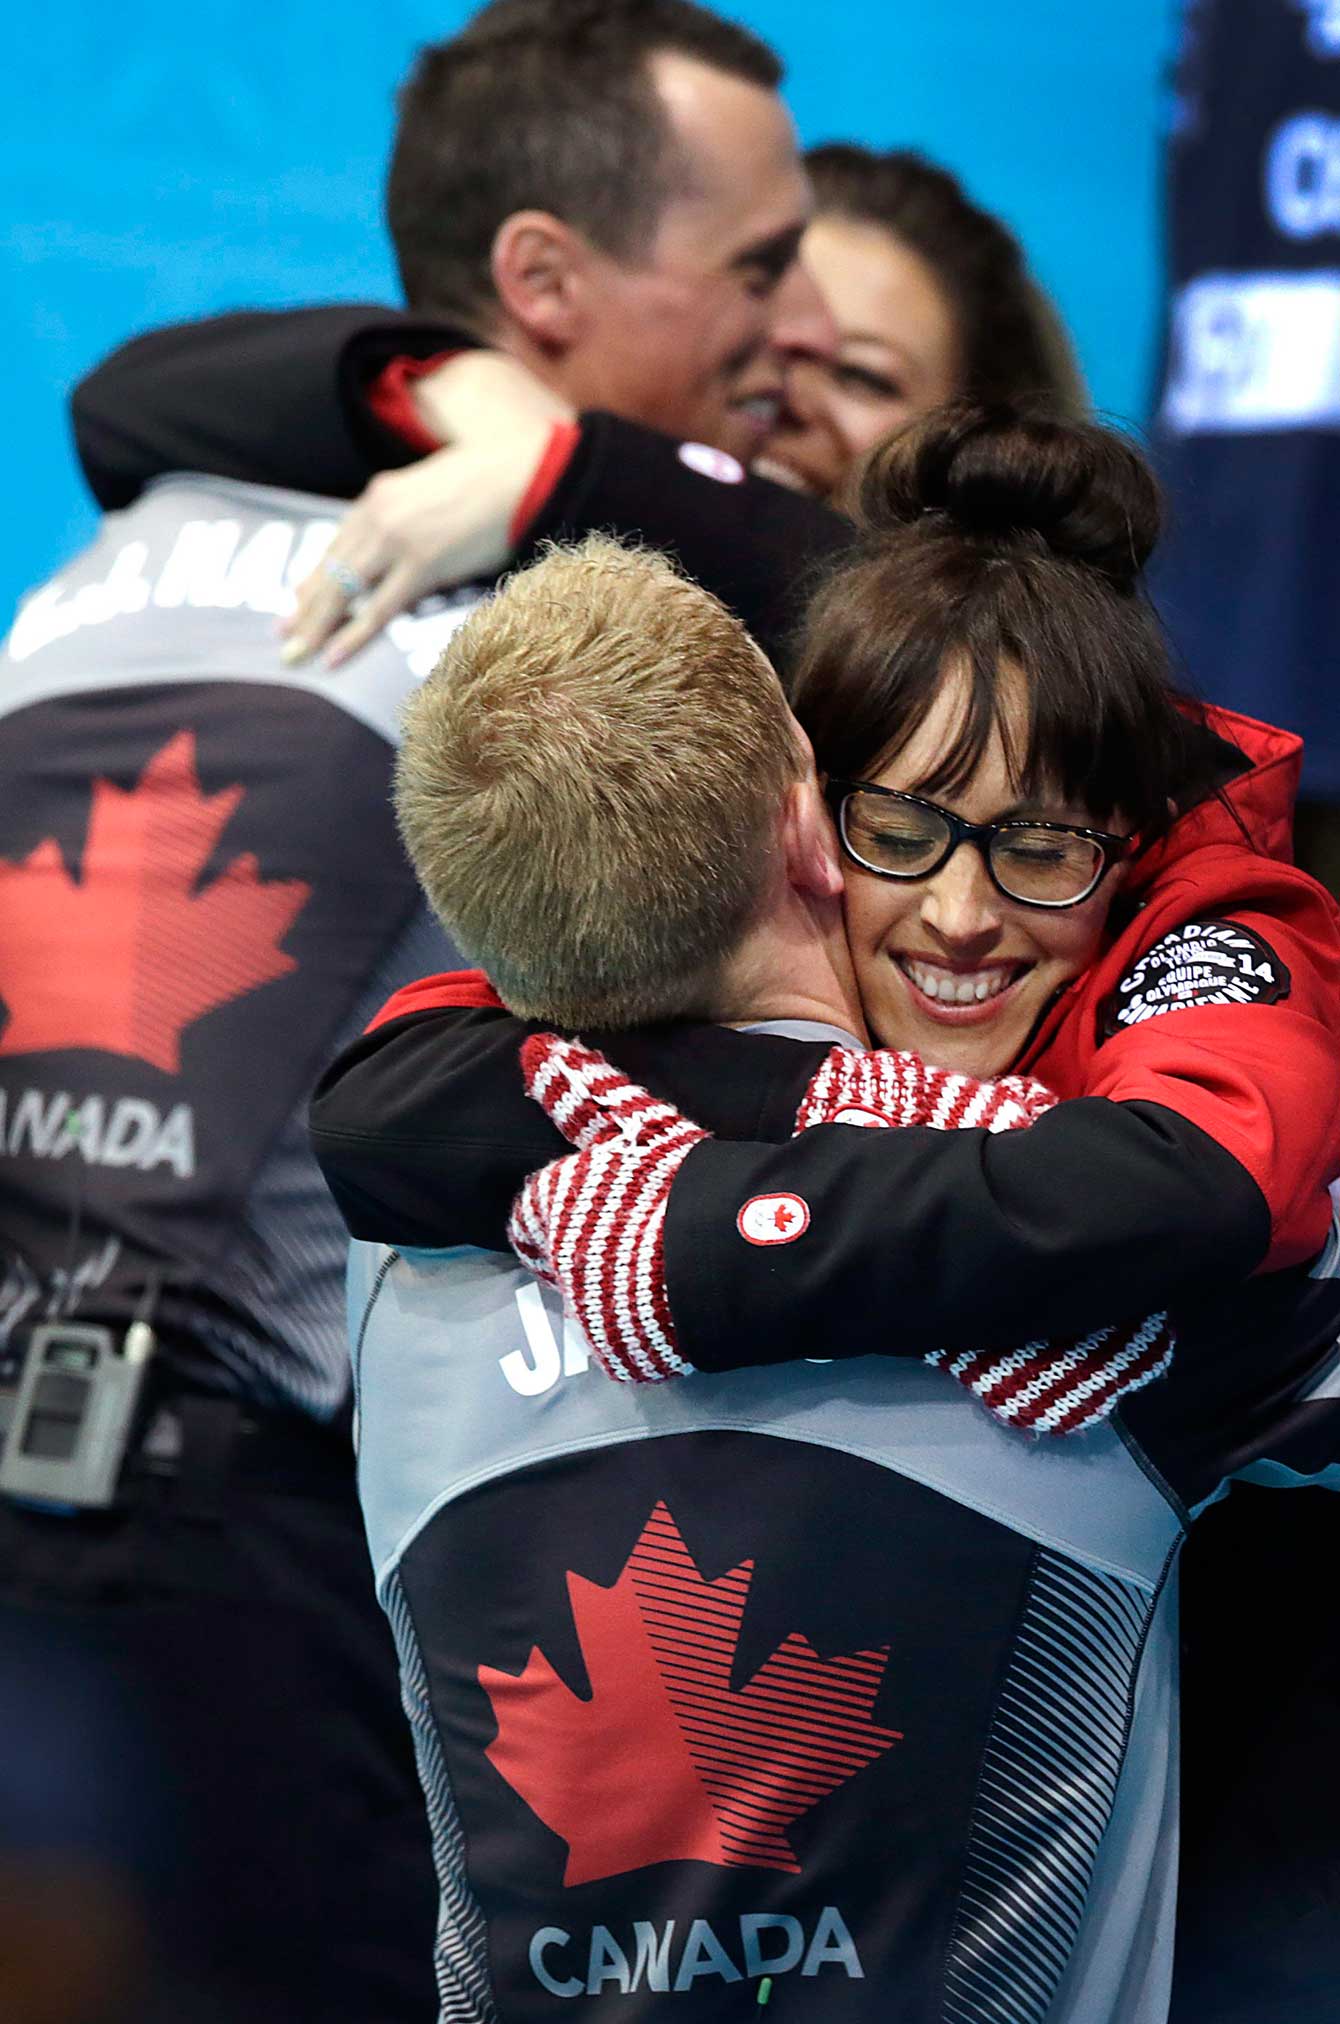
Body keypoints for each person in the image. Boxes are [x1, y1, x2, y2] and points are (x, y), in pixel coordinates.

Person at [1, 3, 837, 2016]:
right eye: (752, 264)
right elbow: (911, 612)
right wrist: (550, 454)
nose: (793, 322)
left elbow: (132, 386)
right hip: (280, 1548)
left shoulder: (119, 546)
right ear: (542, 280)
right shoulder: (584, 653)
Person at [339, 495, 1340, 2021]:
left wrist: (722, 1223)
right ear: (810, 825)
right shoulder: (1108, 1325)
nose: (958, 911)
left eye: (1042, 845)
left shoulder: (406, 1263)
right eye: (902, 830)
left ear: (1131, 861)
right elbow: (396, 1096)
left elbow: (1202, 1184)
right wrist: (852, 1121)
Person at [66, 147, 1085, 666]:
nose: (783, 394)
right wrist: (458, 388)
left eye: (858, 376)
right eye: (759, 335)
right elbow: (124, 406)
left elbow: (878, 604)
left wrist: (560, 474)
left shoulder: (1007, 689)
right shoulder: (530, 509)